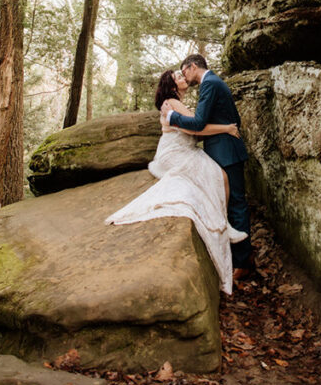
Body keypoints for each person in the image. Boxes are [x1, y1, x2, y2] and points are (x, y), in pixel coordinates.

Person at [107, 69, 248, 293]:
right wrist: (226, 128)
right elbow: (197, 126)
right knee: (217, 176)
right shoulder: (172, 102)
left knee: (217, 177)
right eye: (178, 77)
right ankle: (224, 224)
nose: (183, 78)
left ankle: (224, 224)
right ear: (172, 86)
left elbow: (195, 130)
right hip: (175, 153)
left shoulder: (175, 102)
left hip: (184, 149)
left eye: (183, 75)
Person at [161, 54, 254, 281]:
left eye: (185, 72)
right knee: (231, 202)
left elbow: (199, 123)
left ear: (193, 67)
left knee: (236, 204)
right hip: (221, 150)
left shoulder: (210, 84)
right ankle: (239, 255)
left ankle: (243, 262)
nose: (184, 76)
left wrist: (172, 116)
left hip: (227, 152)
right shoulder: (212, 83)